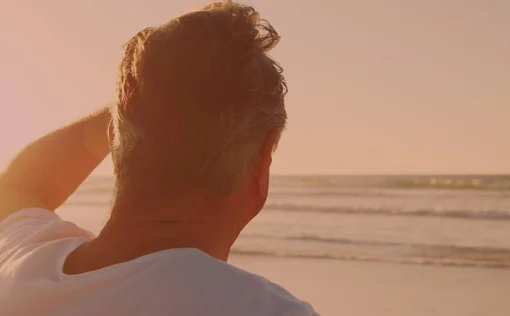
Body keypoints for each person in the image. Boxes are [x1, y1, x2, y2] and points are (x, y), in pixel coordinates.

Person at [0, 1, 318, 315]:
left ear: (114, 138)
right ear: (262, 164)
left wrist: (138, 101)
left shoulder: (20, 268)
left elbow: (20, 185)